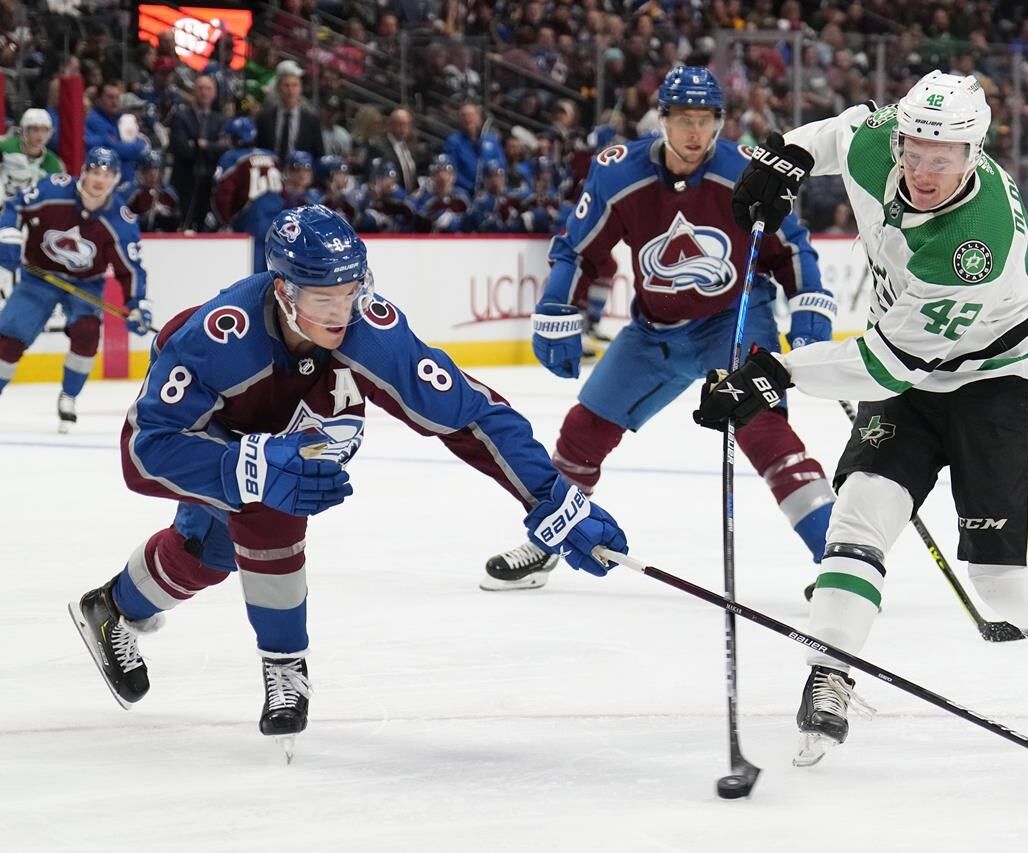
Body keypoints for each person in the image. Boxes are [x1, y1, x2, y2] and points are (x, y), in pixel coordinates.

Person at [699, 70, 1028, 766]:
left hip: (1002, 383)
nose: (922, 168)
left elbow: (887, 365)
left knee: (1005, 585)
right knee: (858, 514)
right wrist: (783, 155)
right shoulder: (886, 141)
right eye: (915, 148)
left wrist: (774, 374)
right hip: (914, 371)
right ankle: (831, 669)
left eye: (942, 157)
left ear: (974, 153)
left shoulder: (975, 244)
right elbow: (839, 132)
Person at [67, 205, 628, 754]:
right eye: (324, 298)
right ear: (285, 291)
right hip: (213, 434)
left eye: (351, 290)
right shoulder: (216, 339)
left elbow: (471, 413)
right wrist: (247, 465)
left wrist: (554, 498)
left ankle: (112, 606)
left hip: (285, 429)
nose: (343, 311)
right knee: (269, 504)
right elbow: (143, 452)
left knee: (207, 550)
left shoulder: (370, 329)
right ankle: (285, 662)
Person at [482, 66, 837, 591]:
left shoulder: (746, 171)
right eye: (683, 119)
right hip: (655, 331)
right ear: (662, 119)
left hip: (733, 318)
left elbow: (793, 248)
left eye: (705, 120)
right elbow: (579, 249)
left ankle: (837, 563)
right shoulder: (617, 173)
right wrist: (558, 305)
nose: (694, 133)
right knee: (582, 432)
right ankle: (549, 539)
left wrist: (808, 306)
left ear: (719, 123)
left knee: (762, 429)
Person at [0, 147, 150, 429]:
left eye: (107, 174)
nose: (99, 180)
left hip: (85, 284)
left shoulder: (121, 220)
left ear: (116, 179)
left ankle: (69, 396)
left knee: (87, 333)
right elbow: (15, 206)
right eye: (94, 171)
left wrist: (137, 303)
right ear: (83, 172)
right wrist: (7, 234)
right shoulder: (53, 190)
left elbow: (130, 269)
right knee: (8, 340)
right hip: (39, 276)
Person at [210, 117, 285, 272]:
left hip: (251, 221)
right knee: (277, 272)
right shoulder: (272, 156)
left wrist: (225, 221)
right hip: (278, 219)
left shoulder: (231, 158)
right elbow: (283, 192)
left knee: (254, 278)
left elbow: (222, 196)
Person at [166, 74, 226, 232]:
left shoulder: (220, 120)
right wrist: (211, 147)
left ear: (214, 93)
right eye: (200, 88)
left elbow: (224, 148)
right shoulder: (180, 116)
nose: (204, 92)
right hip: (185, 180)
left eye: (208, 89)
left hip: (210, 182)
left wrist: (202, 146)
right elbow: (181, 148)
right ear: (193, 91)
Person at [255, 60, 325, 164]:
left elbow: (318, 153)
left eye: (294, 85)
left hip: (299, 174)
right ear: (278, 88)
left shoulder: (311, 120)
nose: (290, 90)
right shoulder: (265, 117)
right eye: (286, 85)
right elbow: (258, 149)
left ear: (300, 89)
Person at [0, 109, 65, 203]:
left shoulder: (53, 163)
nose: (40, 136)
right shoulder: (5, 147)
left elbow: (57, 195)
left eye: (44, 130)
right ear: (24, 131)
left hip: (29, 211)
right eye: (35, 130)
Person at [119, 148, 182, 232]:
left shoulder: (169, 192)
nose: (153, 176)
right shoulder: (130, 192)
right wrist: (145, 217)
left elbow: (178, 218)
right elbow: (123, 219)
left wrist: (165, 214)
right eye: (149, 172)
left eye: (157, 171)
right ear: (141, 172)